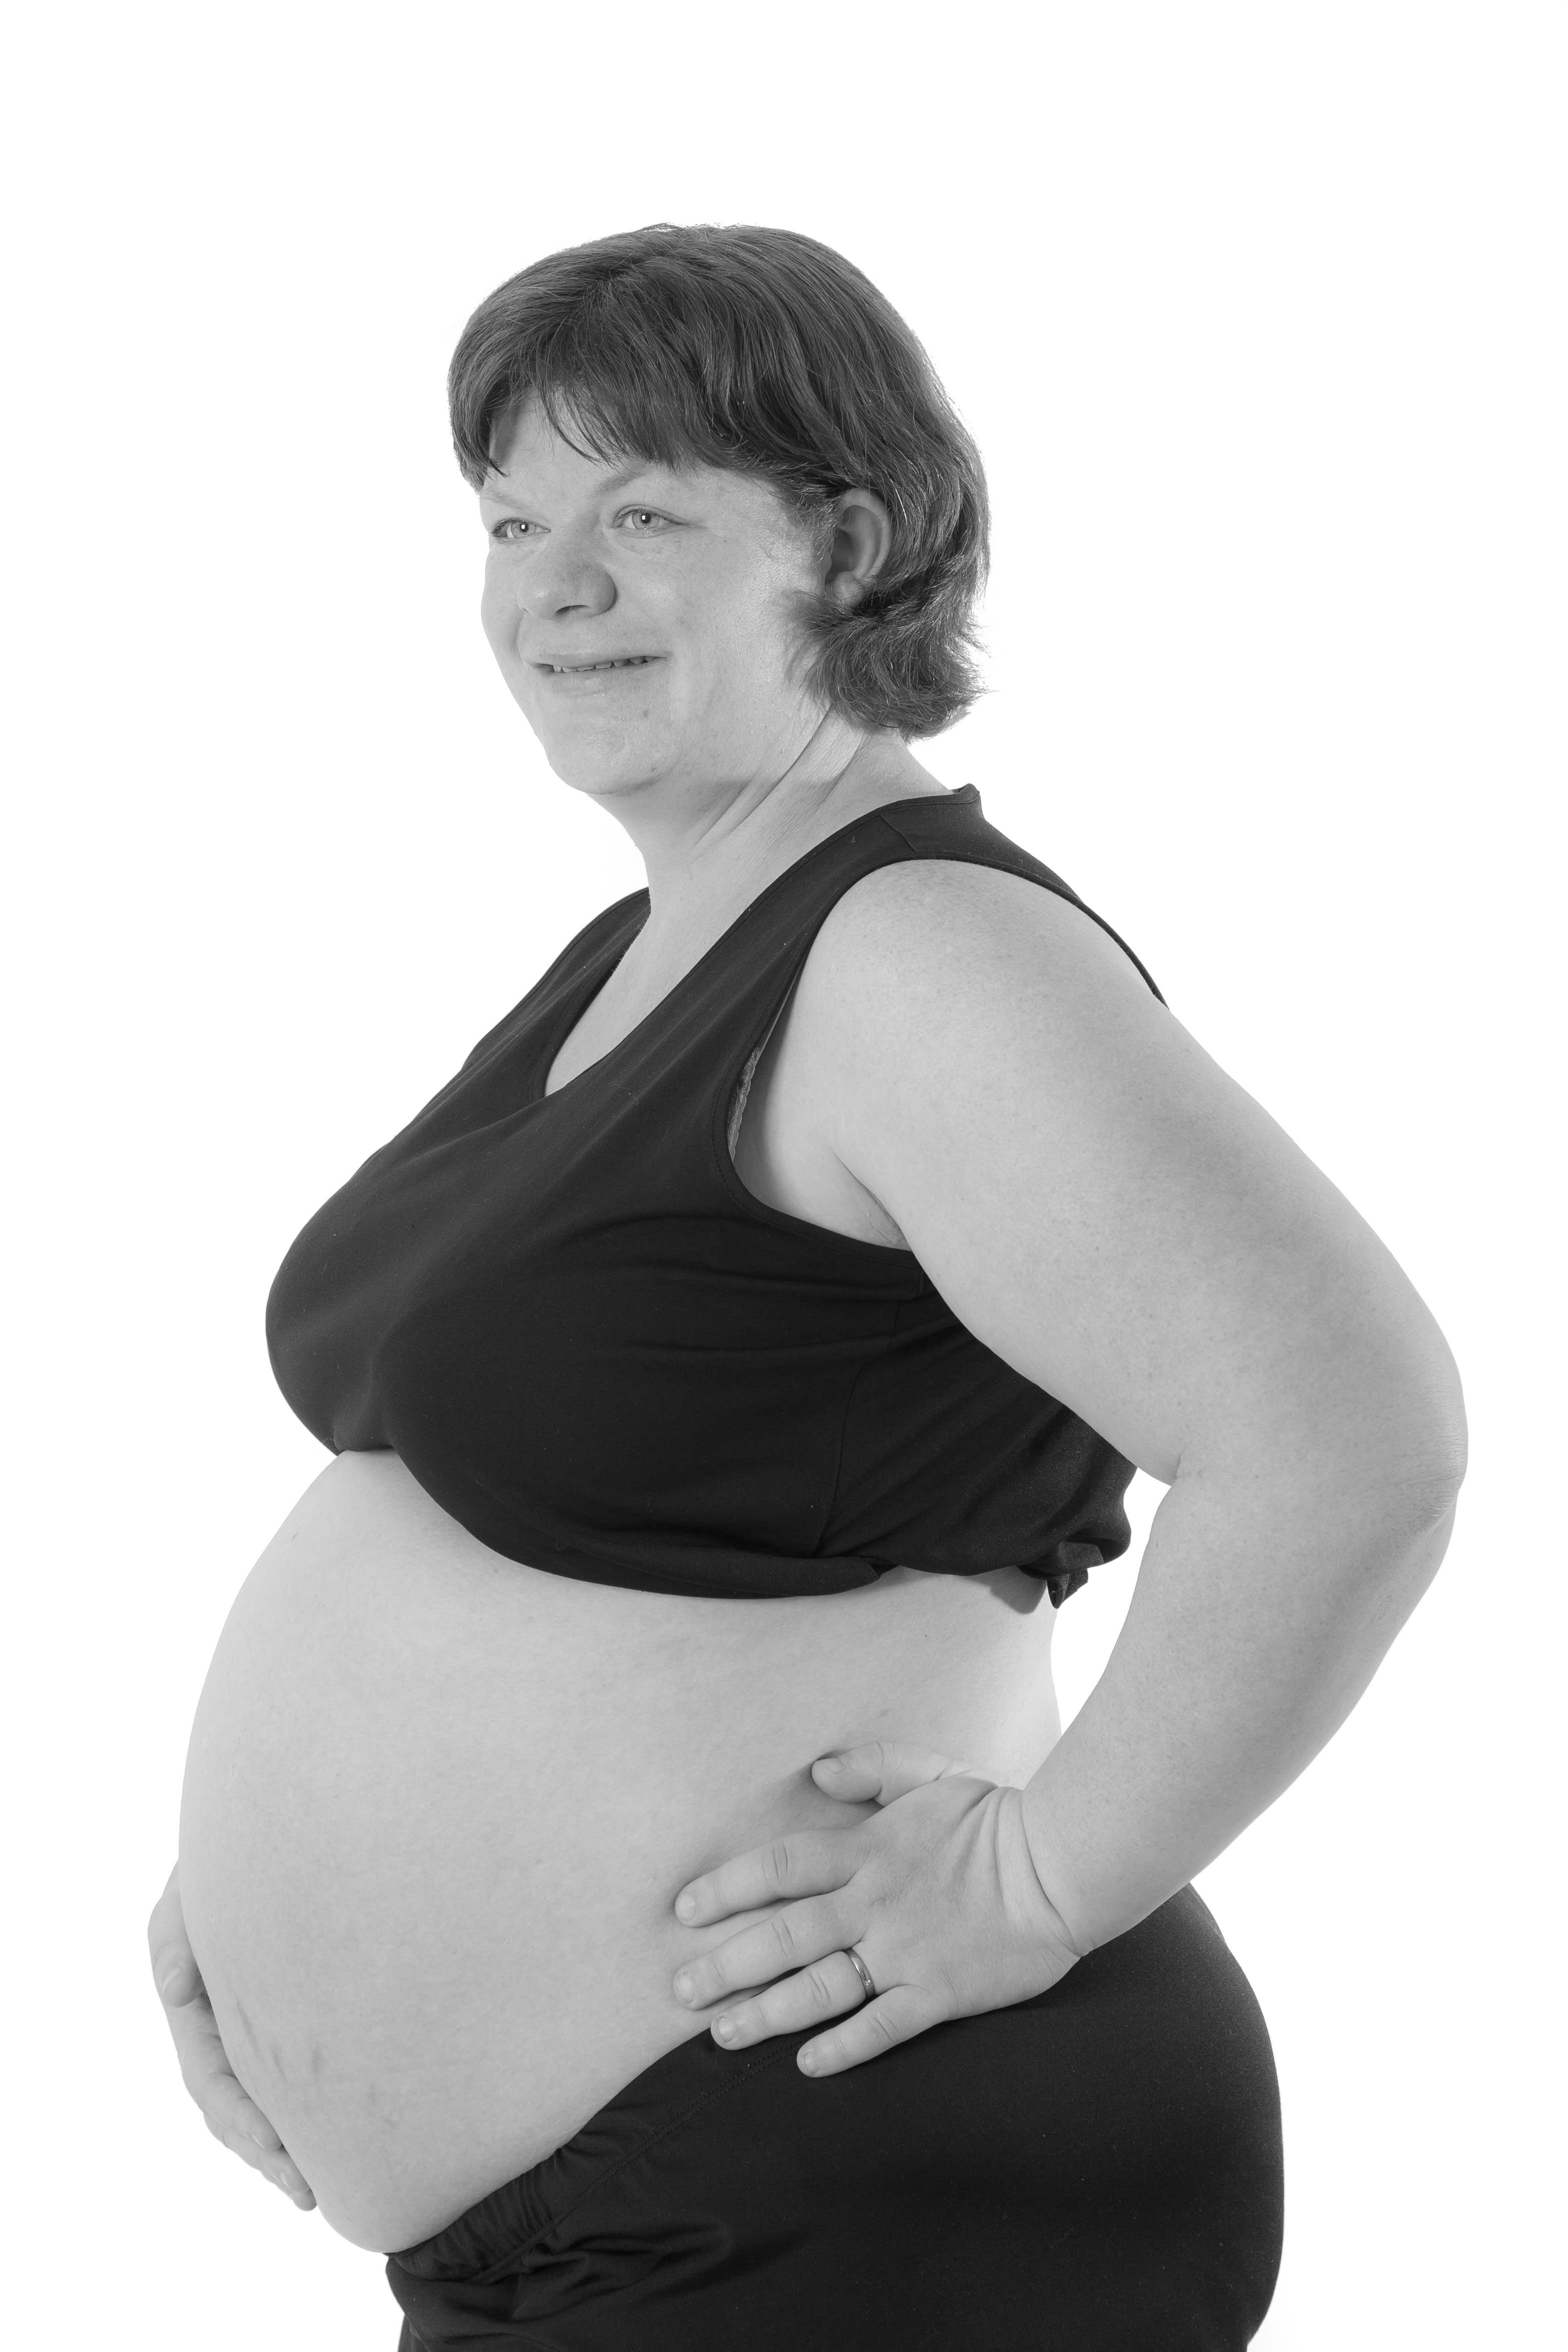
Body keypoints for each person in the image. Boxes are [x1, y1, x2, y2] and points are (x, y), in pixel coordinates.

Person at [148, 223, 1466, 2349]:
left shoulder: (918, 950)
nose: (553, 585)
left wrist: (1035, 1880)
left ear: (845, 547)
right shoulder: (652, 947)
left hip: (840, 2160)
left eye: (644, 516)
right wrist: (259, 1905)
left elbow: (1348, 1439)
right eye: (512, 522)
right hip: (638, 2201)